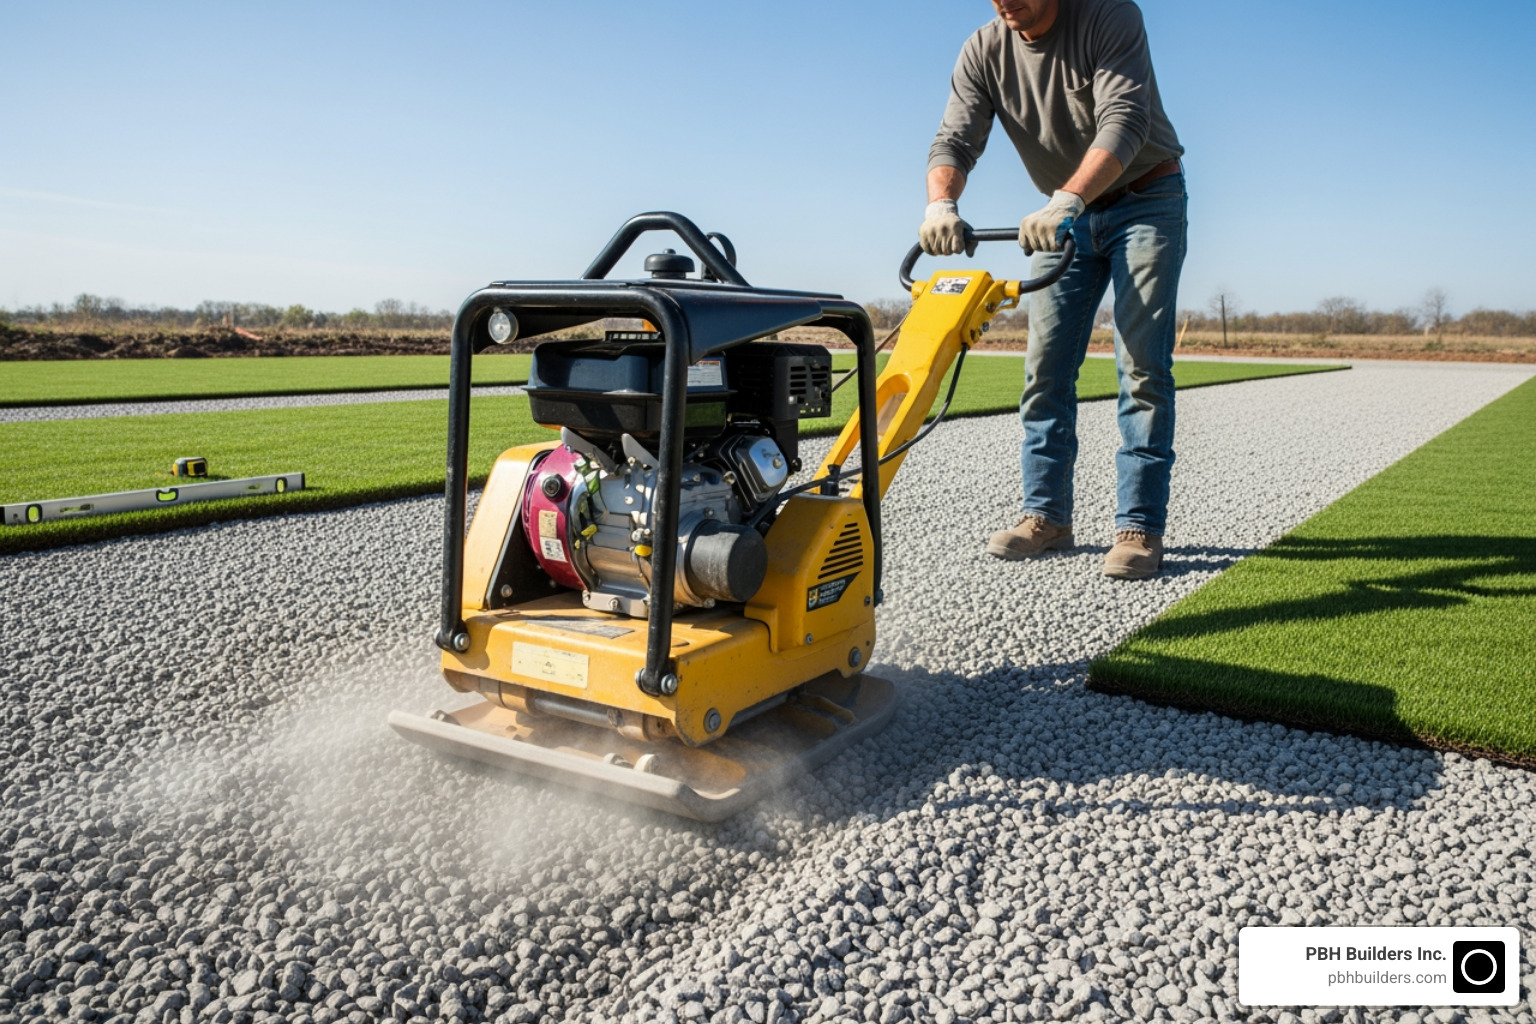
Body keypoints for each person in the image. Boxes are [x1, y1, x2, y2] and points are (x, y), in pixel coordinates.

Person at [920, 0, 1187, 580]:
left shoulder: (1110, 16)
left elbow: (1125, 119)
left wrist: (1068, 197)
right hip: (1062, 218)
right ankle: (1047, 516)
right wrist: (941, 201)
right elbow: (954, 140)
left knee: (1140, 366)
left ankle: (1138, 527)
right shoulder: (984, 49)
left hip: (1144, 202)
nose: (1005, 2)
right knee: (1044, 369)